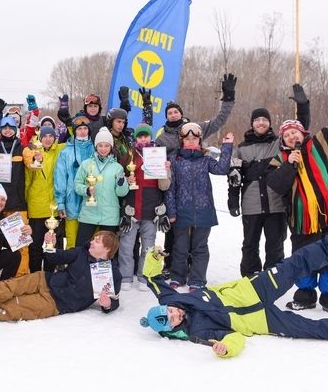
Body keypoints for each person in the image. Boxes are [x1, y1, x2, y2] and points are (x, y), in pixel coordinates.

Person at [139, 232, 328, 357]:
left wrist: (154, 256)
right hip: (262, 321)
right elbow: (233, 338)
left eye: (171, 311)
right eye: (172, 319)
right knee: (311, 329)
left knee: (292, 266)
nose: (176, 313)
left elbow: (151, 277)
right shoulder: (197, 333)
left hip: (252, 289)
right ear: (170, 330)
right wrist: (226, 350)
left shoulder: (169, 298)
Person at [267, 76, 328, 318]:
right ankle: (305, 296)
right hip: (303, 220)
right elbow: (276, 186)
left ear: (303, 133)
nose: (292, 137)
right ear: (283, 141)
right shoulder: (279, 161)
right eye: (287, 135)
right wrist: (289, 165)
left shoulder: (325, 142)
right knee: (304, 256)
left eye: (295, 132)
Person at [0, 230, 121, 324]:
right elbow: (54, 257)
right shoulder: (81, 253)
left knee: (12, 307)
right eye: (94, 239)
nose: (91, 242)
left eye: (97, 241)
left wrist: (107, 305)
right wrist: (49, 244)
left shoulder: (111, 274)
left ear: (107, 249)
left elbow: (114, 300)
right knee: (9, 287)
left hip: (56, 303)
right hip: (46, 279)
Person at [228, 84, 310, 277]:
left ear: (270, 123)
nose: (261, 123)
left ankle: (274, 279)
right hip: (251, 204)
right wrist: (232, 200)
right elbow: (234, 177)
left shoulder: (278, 144)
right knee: (249, 245)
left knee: (275, 245)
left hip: (276, 205)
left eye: (265, 119)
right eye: (257, 120)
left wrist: (303, 106)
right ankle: (250, 278)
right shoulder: (240, 149)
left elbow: (298, 132)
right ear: (252, 123)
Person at [165, 123, 233, 290]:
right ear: (181, 141)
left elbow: (222, 169)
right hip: (181, 211)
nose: (190, 142)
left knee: (200, 248)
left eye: (194, 139)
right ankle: (177, 276)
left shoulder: (205, 160)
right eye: (187, 139)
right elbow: (170, 188)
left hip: (203, 211)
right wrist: (171, 211)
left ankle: (197, 279)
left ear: (199, 140)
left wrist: (227, 146)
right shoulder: (174, 161)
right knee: (180, 247)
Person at [117, 123, 170, 290]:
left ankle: (143, 276)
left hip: (151, 206)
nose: (143, 138)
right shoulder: (129, 155)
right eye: (140, 136)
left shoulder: (158, 154)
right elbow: (119, 179)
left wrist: (165, 171)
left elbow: (164, 186)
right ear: (136, 138)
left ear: (150, 137)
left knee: (148, 246)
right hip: (132, 206)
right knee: (126, 245)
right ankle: (125, 277)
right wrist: (126, 180)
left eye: (146, 135)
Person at [0, 115, 30, 274]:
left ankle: (21, 275)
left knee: (20, 243)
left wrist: (37, 158)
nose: (8, 130)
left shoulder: (23, 148)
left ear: (15, 130)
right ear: (1, 130)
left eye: (11, 128)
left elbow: (34, 165)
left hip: (17, 203)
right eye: (5, 128)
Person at [74, 127, 128, 246]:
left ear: (111, 147)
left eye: (106, 146)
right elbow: (77, 185)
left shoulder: (117, 167)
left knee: (106, 251)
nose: (103, 149)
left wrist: (121, 183)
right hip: (89, 213)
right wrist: (87, 190)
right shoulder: (86, 164)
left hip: (110, 215)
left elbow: (121, 193)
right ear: (96, 146)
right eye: (100, 145)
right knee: (81, 248)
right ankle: (80, 265)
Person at [23, 126, 66, 271]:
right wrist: (26, 202)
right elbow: (27, 180)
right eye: (45, 136)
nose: (48, 139)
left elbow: (76, 138)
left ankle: (49, 276)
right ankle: (35, 275)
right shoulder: (33, 153)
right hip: (36, 206)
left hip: (53, 206)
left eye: (51, 136)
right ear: (40, 138)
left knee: (51, 245)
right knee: (35, 245)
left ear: (55, 138)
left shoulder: (59, 150)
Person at [54, 115, 93, 248]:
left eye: (85, 128)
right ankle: (71, 267)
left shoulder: (96, 149)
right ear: (74, 131)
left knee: (92, 241)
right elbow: (60, 179)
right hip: (72, 202)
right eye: (79, 129)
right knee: (72, 239)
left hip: (92, 203)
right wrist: (60, 203)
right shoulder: (65, 152)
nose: (82, 131)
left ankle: (89, 268)